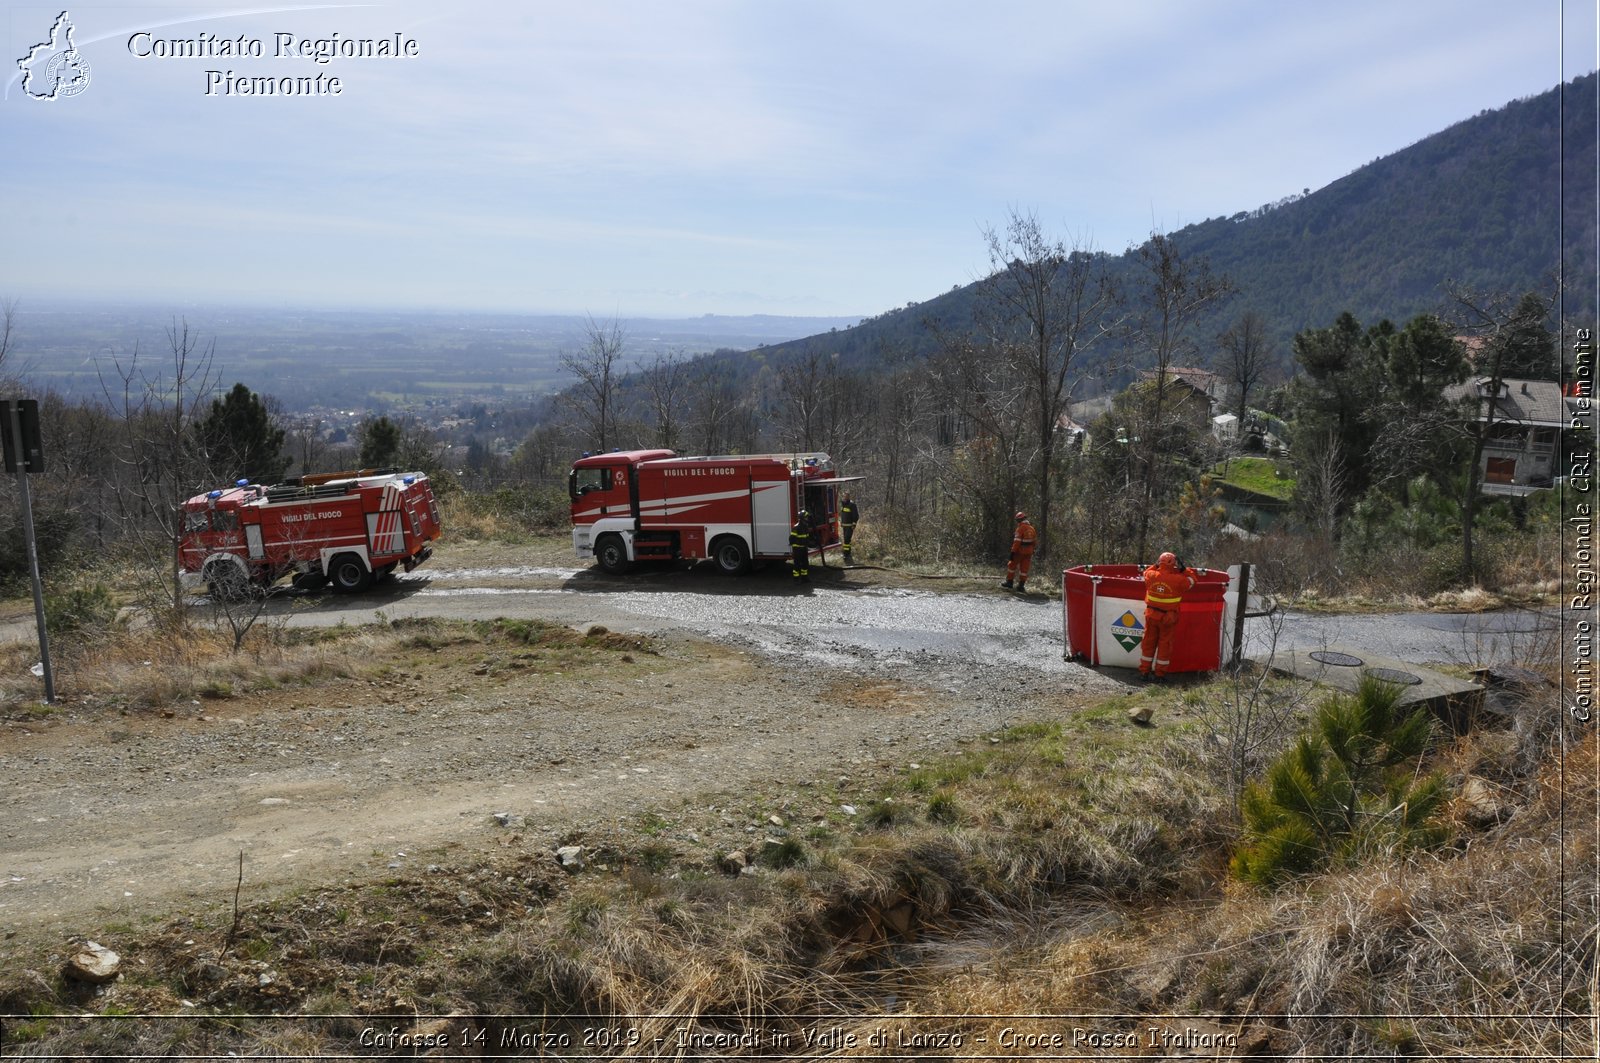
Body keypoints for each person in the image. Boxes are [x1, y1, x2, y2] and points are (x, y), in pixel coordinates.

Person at [1139, 552, 1201, 681]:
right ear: (1174, 564)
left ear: (1159, 562)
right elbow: (1193, 580)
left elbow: (1146, 571)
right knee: (1164, 645)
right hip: (1168, 618)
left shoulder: (1151, 575)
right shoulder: (1179, 580)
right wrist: (1184, 569)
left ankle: (1144, 672)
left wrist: (1156, 565)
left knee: (1148, 643)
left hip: (1151, 615)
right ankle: (1159, 675)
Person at [1000, 511, 1036, 592]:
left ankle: (1009, 583)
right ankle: (1021, 586)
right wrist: (1032, 551)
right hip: (1029, 552)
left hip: (1020, 551)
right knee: (1024, 569)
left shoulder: (1020, 528)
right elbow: (1034, 542)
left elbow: (1017, 542)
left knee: (1011, 565)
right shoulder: (1032, 528)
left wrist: (1012, 552)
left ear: (1019, 520)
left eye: (1017, 520)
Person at [790, 510, 811, 583]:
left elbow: (807, 537)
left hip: (804, 548)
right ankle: (796, 579)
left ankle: (804, 578)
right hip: (798, 549)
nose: (807, 519)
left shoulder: (805, 526)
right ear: (802, 518)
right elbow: (791, 538)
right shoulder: (796, 527)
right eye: (806, 517)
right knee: (797, 564)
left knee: (805, 563)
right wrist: (797, 545)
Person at [839, 492, 860, 562]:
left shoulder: (852, 505)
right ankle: (848, 553)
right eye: (844, 496)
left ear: (849, 497)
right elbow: (842, 514)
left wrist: (854, 524)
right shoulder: (843, 504)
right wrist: (841, 522)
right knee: (846, 540)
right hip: (844, 526)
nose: (845, 497)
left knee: (846, 540)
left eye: (846, 496)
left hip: (849, 526)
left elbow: (856, 516)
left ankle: (846, 554)